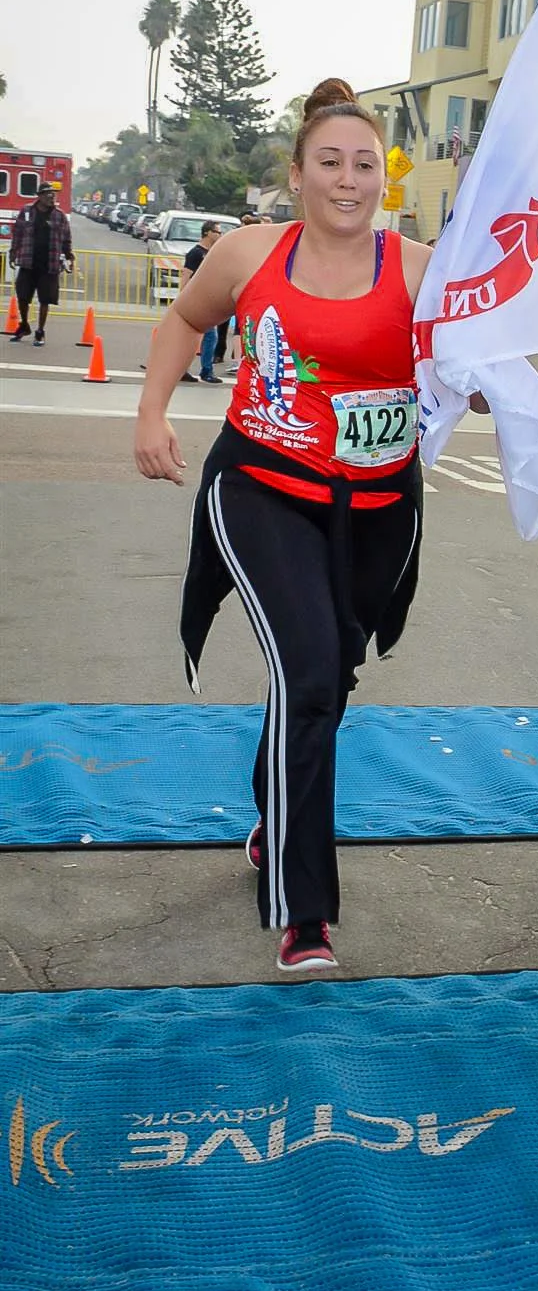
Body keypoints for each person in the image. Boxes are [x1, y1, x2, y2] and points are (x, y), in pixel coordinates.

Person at [134, 79, 432, 975]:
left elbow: (483, 358)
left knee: (326, 681)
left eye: (365, 165)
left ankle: (277, 810)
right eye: (330, 163)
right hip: (262, 487)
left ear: (387, 176)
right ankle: (305, 911)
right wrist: (151, 415)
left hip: (376, 508)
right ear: (297, 174)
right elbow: (184, 322)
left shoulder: (421, 267)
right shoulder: (248, 253)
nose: (349, 181)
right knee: (305, 668)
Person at [8, 182, 74, 348]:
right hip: (28, 261)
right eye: (48, 194)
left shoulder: (60, 216)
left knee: (45, 299)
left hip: (49, 264)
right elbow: (17, 233)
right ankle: (24, 325)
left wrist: (69, 256)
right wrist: (13, 252)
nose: (52, 197)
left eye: (54, 194)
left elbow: (66, 238)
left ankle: (40, 331)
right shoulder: (27, 212)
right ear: (40, 196)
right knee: (22, 297)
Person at [179, 221, 226, 383]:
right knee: (209, 336)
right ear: (207, 233)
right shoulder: (196, 253)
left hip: (205, 299)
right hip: (195, 299)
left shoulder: (211, 252)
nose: (220, 235)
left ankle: (187, 370)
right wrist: (183, 296)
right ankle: (205, 370)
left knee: (205, 337)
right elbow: (186, 274)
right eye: (217, 232)